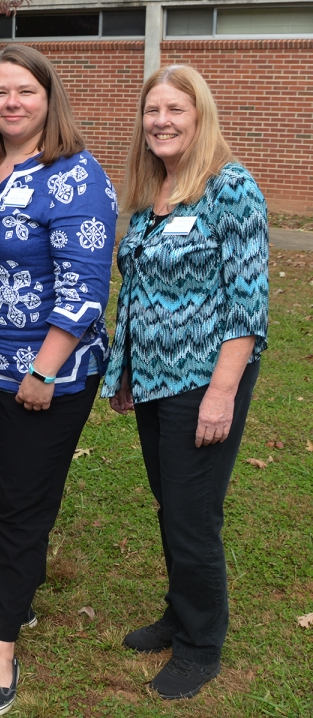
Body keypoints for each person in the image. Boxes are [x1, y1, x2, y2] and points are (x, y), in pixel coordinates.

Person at [0, 45, 116, 717]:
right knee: (2, 492)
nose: (9, 103)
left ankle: (2, 644)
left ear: (50, 99)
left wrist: (44, 369)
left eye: (24, 91)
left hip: (45, 374)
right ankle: (12, 596)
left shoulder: (77, 178)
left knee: (18, 505)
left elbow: (83, 289)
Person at [103, 64, 268, 701]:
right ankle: (181, 612)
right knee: (173, 507)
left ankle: (201, 645)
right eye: (153, 112)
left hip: (205, 379)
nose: (162, 122)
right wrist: (126, 373)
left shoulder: (231, 189)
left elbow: (247, 303)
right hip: (155, 379)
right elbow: (139, 290)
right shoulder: (156, 189)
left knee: (193, 517)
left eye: (176, 110)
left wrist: (222, 393)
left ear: (200, 118)